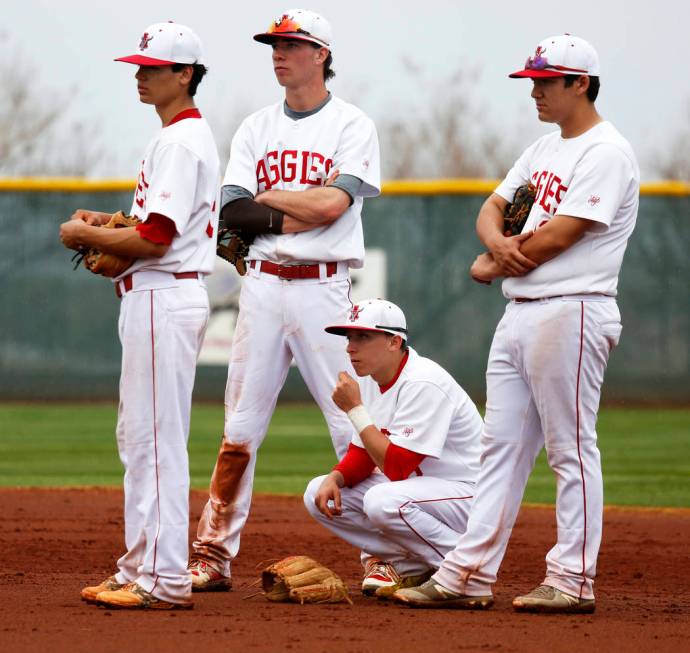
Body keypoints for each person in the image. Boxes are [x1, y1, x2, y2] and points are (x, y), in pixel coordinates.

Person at [394, 34, 639, 613]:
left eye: (546, 81)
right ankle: (467, 574)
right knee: (497, 449)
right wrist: (496, 247)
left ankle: (574, 579)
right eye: (532, 80)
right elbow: (490, 208)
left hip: (573, 308)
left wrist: (495, 257)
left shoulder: (606, 151)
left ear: (581, 83)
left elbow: (563, 233)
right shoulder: (542, 149)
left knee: (571, 449)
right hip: (521, 312)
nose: (535, 90)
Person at [188, 9, 381, 591]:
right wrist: (294, 208)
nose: (279, 53)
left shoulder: (352, 124)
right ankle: (213, 554)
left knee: (355, 425)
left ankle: (380, 554)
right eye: (274, 44)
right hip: (264, 287)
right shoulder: (254, 126)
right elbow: (233, 211)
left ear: (320, 53)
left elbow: (332, 208)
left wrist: (271, 203)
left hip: (326, 291)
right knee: (239, 430)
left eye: (291, 44)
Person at [59, 22, 220, 610]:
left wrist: (81, 233)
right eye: (139, 66)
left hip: (164, 293)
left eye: (152, 67)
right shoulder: (174, 137)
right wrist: (106, 225)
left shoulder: (180, 141)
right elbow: (147, 230)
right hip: (153, 293)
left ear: (186, 74)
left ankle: (162, 578)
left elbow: (153, 239)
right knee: (140, 438)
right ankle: (140, 567)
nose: (140, 75)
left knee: (155, 442)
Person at [303, 299, 484, 600]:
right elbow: (362, 455)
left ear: (394, 341)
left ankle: (466, 570)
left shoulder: (423, 381)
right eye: (349, 338)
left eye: (363, 337)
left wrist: (355, 410)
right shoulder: (373, 379)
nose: (351, 347)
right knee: (316, 493)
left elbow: (397, 468)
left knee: (382, 500)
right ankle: (413, 566)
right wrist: (336, 477)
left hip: (467, 494)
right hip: (425, 491)